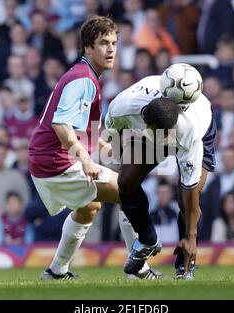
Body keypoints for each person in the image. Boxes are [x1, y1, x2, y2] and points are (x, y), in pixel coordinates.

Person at [28, 15, 178, 280]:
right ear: (87, 47)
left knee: (89, 208)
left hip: (46, 160)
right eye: (103, 43)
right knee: (127, 192)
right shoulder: (84, 79)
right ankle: (139, 269)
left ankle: (56, 272)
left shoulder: (86, 76)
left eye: (114, 43)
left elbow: (81, 131)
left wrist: (109, 148)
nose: (110, 50)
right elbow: (61, 125)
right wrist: (86, 161)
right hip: (56, 161)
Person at [105, 70, 217, 280]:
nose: (163, 142)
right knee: (126, 181)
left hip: (199, 131)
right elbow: (112, 131)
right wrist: (119, 158)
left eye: (165, 137)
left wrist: (191, 236)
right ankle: (147, 239)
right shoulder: (122, 107)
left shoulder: (190, 130)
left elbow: (190, 189)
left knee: (186, 203)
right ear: (145, 122)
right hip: (153, 127)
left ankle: (185, 266)